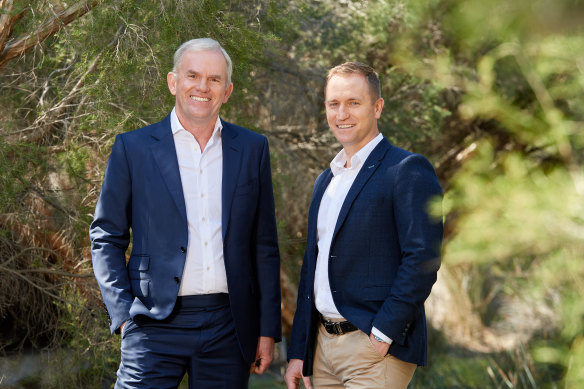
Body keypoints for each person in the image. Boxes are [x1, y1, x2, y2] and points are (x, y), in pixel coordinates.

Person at [90, 38, 281, 389]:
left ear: (227, 91)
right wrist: (123, 316)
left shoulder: (252, 149)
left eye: (214, 79)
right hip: (152, 323)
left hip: (229, 324)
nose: (202, 87)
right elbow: (106, 236)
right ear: (173, 82)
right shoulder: (133, 149)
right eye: (193, 75)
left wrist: (267, 330)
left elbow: (264, 246)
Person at [284, 62, 443, 389]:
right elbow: (311, 270)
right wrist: (300, 351)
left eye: (353, 103)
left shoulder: (406, 170)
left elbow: (423, 258)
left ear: (378, 107)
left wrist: (385, 333)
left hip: (373, 350)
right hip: (323, 348)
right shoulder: (325, 181)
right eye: (333, 104)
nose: (342, 113)